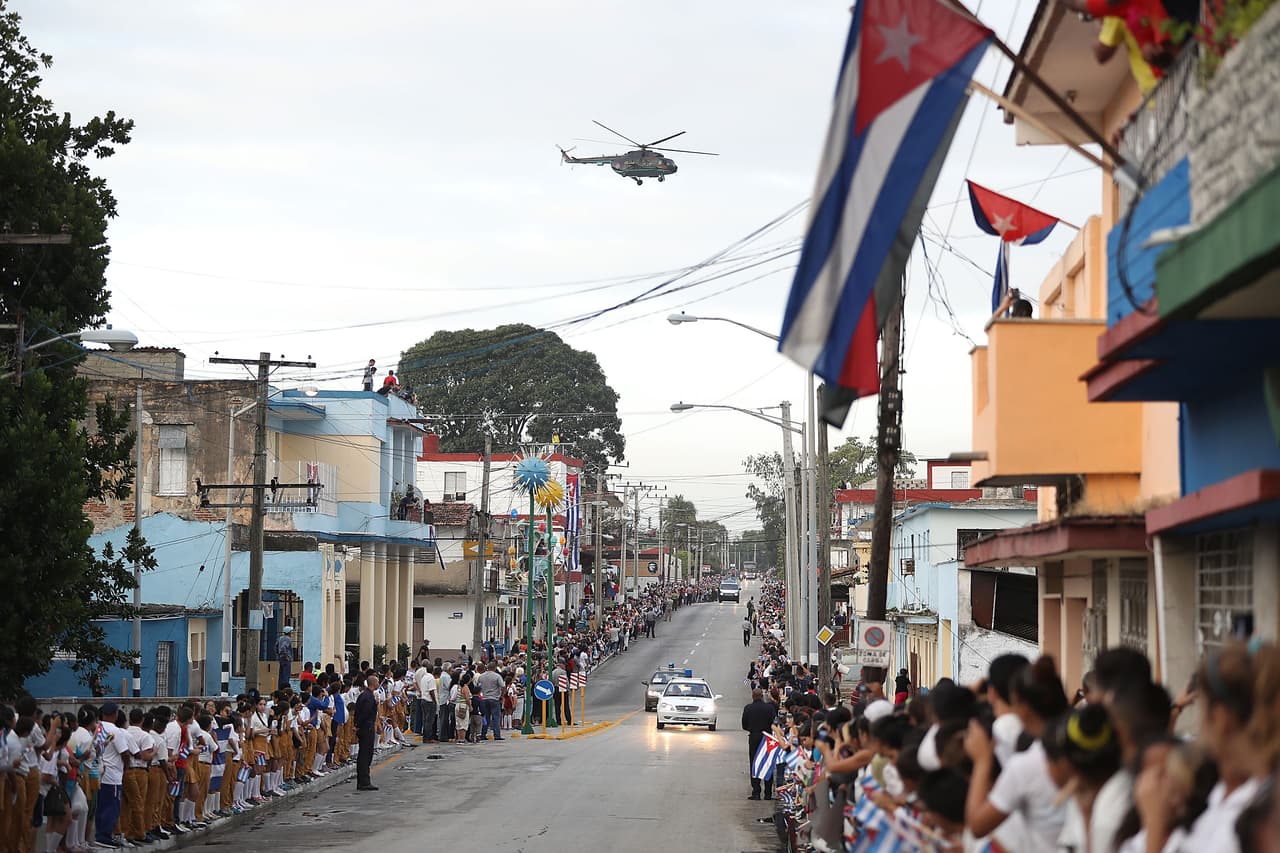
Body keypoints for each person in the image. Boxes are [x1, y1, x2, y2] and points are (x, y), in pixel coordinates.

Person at [741, 688, 778, 800]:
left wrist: (752, 729)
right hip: (767, 737)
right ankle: (767, 793)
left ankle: (756, 791)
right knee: (768, 762)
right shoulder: (769, 708)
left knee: (754, 762)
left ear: (753, 696)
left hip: (754, 736)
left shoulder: (748, 708)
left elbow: (744, 724)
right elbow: (774, 721)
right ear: (762, 696)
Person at [353, 676, 379, 791]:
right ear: (373, 683)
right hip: (366, 728)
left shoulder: (364, 695)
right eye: (377, 681)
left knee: (365, 754)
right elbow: (365, 713)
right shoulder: (368, 697)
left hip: (364, 727)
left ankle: (363, 780)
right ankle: (364, 781)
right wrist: (358, 725)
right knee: (365, 754)